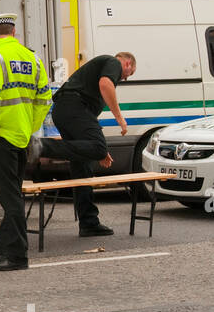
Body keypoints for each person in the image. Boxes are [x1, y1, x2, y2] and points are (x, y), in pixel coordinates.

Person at [0, 12, 52, 272]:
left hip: (2, 137)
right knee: (13, 194)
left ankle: (17, 256)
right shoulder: (32, 58)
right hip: (22, 137)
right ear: (14, 33)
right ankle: (0, 248)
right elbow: (45, 99)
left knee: (10, 198)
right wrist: (30, 127)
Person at [34, 51, 137, 237]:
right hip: (74, 106)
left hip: (66, 110)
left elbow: (88, 130)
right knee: (97, 148)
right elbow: (105, 84)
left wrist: (100, 152)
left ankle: (88, 222)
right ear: (128, 63)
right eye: (128, 75)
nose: (124, 79)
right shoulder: (113, 62)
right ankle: (40, 147)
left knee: (83, 167)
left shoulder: (98, 70)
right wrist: (120, 119)